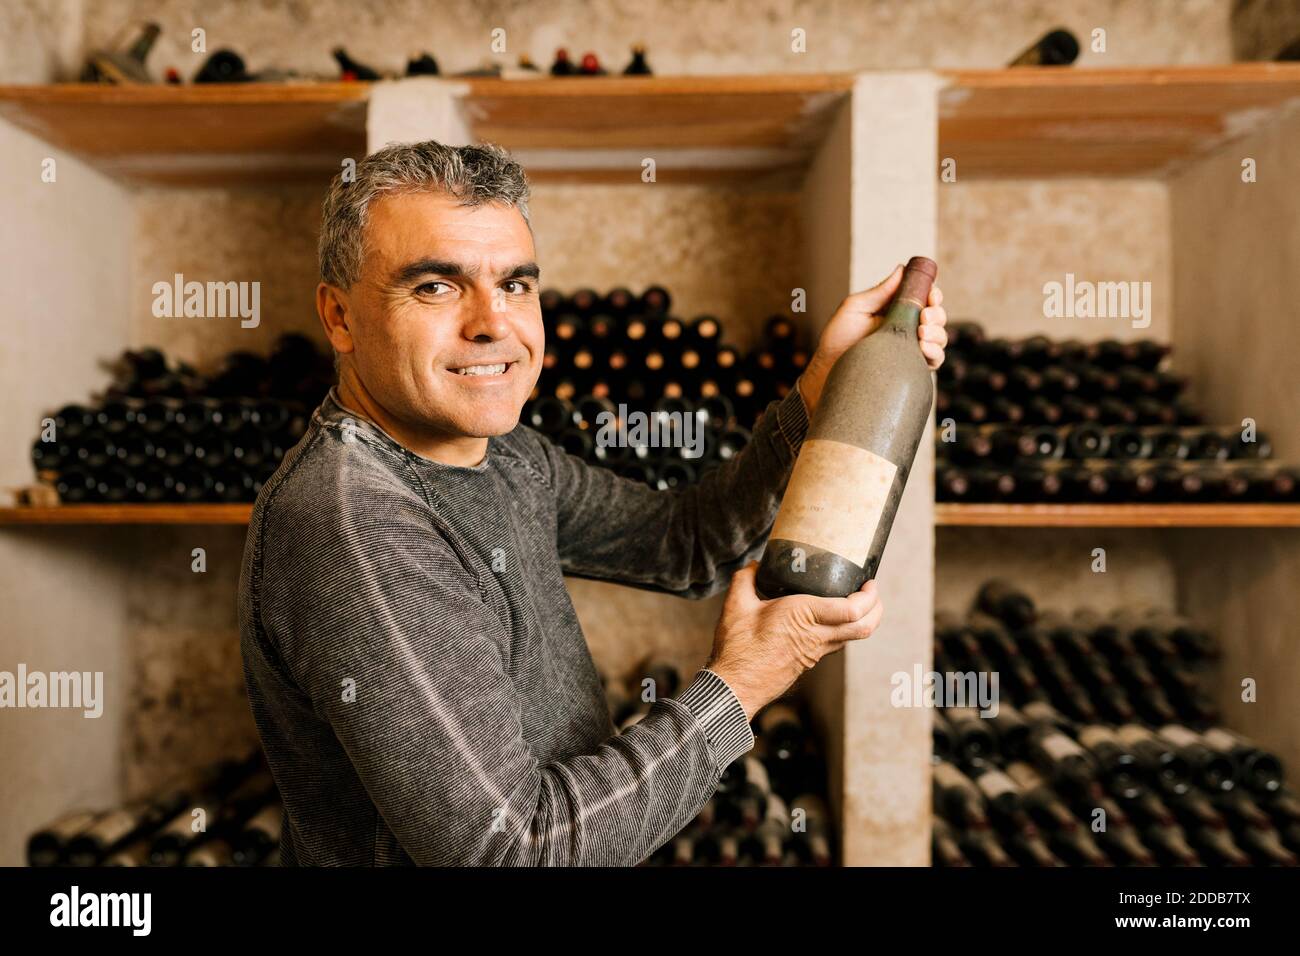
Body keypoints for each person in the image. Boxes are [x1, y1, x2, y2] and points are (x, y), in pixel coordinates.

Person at [238, 140, 947, 865]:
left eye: (515, 284)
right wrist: (742, 684)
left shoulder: (505, 455)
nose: (492, 322)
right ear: (340, 316)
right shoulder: (355, 525)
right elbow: (514, 851)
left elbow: (686, 541)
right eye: (435, 287)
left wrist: (818, 389)